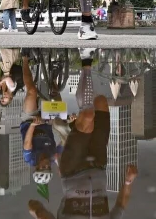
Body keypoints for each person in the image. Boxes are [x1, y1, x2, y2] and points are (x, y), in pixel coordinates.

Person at [27, 48, 138, 218]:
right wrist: (128, 181)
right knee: (100, 101)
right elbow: (121, 205)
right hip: (98, 163)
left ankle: (86, 61)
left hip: (72, 169)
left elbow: (33, 206)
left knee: (87, 116)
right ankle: (78, 120)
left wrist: (37, 211)